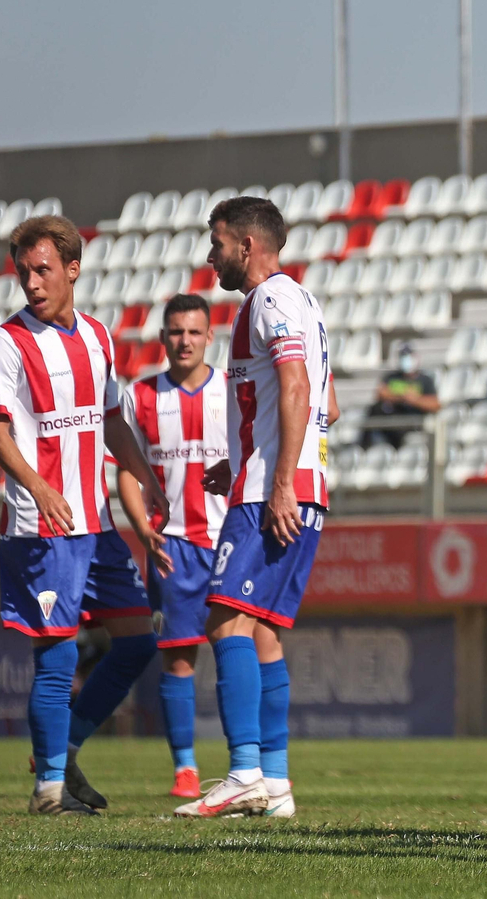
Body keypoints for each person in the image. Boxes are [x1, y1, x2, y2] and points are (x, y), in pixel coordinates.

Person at [0, 215, 169, 815]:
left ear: (72, 269)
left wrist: (145, 473)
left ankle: (67, 748)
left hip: (98, 524)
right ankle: (49, 791)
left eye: (43, 269)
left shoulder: (98, 337)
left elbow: (111, 420)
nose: (32, 282)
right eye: (24, 272)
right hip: (44, 527)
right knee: (56, 658)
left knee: (137, 642)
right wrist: (36, 487)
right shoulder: (7, 343)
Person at [173, 197, 330, 820]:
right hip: (289, 483)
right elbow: (326, 404)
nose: (210, 255)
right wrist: (242, 464)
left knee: (223, 623)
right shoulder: (303, 303)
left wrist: (278, 479)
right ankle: (278, 782)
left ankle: (243, 772)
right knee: (261, 632)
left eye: (216, 243)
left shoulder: (270, 300)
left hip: (275, 493)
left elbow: (296, 387)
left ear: (245, 244)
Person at [115, 292, 227, 802]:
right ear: (163, 337)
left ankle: (252, 765)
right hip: (172, 546)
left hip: (231, 541)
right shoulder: (139, 398)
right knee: (179, 660)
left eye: (193, 332)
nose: (184, 341)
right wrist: (142, 529)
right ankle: (185, 767)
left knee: (239, 651)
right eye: (175, 332)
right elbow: (124, 471)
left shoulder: (231, 390)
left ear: (209, 337)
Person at [365, 343, 438, 448]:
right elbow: (381, 393)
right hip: (393, 418)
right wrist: (402, 397)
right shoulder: (392, 377)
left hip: (414, 421)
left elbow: (435, 404)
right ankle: (366, 446)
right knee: (375, 410)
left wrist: (415, 400)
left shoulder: (425, 380)